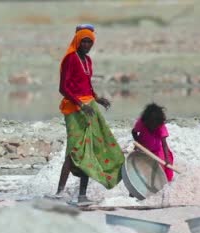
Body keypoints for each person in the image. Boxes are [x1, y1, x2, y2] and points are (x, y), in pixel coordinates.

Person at [52, 24, 125, 205]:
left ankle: (82, 195)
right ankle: (60, 192)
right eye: (83, 41)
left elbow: (87, 84)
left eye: (89, 42)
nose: (86, 44)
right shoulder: (70, 59)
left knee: (90, 149)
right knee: (74, 150)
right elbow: (63, 88)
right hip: (75, 109)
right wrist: (81, 104)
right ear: (77, 41)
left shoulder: (88, 61)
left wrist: (97, 99)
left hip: (90, 107)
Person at [132, 103, 174, 182]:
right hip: (143, 150)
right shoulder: (141, 123)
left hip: (157, 150)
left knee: (161, 168)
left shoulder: (160, 126)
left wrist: (167, 159)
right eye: (150, 124)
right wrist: (138, 142)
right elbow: (134, 132)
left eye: (154, 125)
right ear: (146, 120)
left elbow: (164, 144)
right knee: (140, 169)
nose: (152, 126)